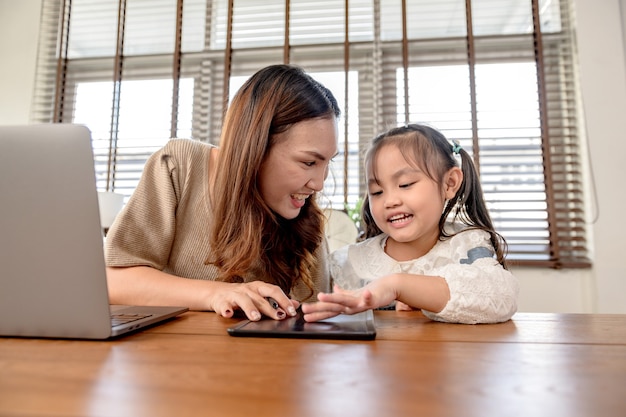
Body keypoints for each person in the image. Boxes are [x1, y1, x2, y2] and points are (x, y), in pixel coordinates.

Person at [105, 64, 340, 322]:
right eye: (309, 163)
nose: (319, 183)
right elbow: (114, 281)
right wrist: (216, 294)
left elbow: (316, 318)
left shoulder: (303, 215)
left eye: (328, 163)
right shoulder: (180, 166)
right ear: (256, 147)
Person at [302, 123, 519, 324]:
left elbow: (503, 296)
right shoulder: (349, 262)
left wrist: (398, 286)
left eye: (405, 184)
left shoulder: (466, 244)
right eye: (377, 192)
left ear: (450, 183)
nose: (390, 201)